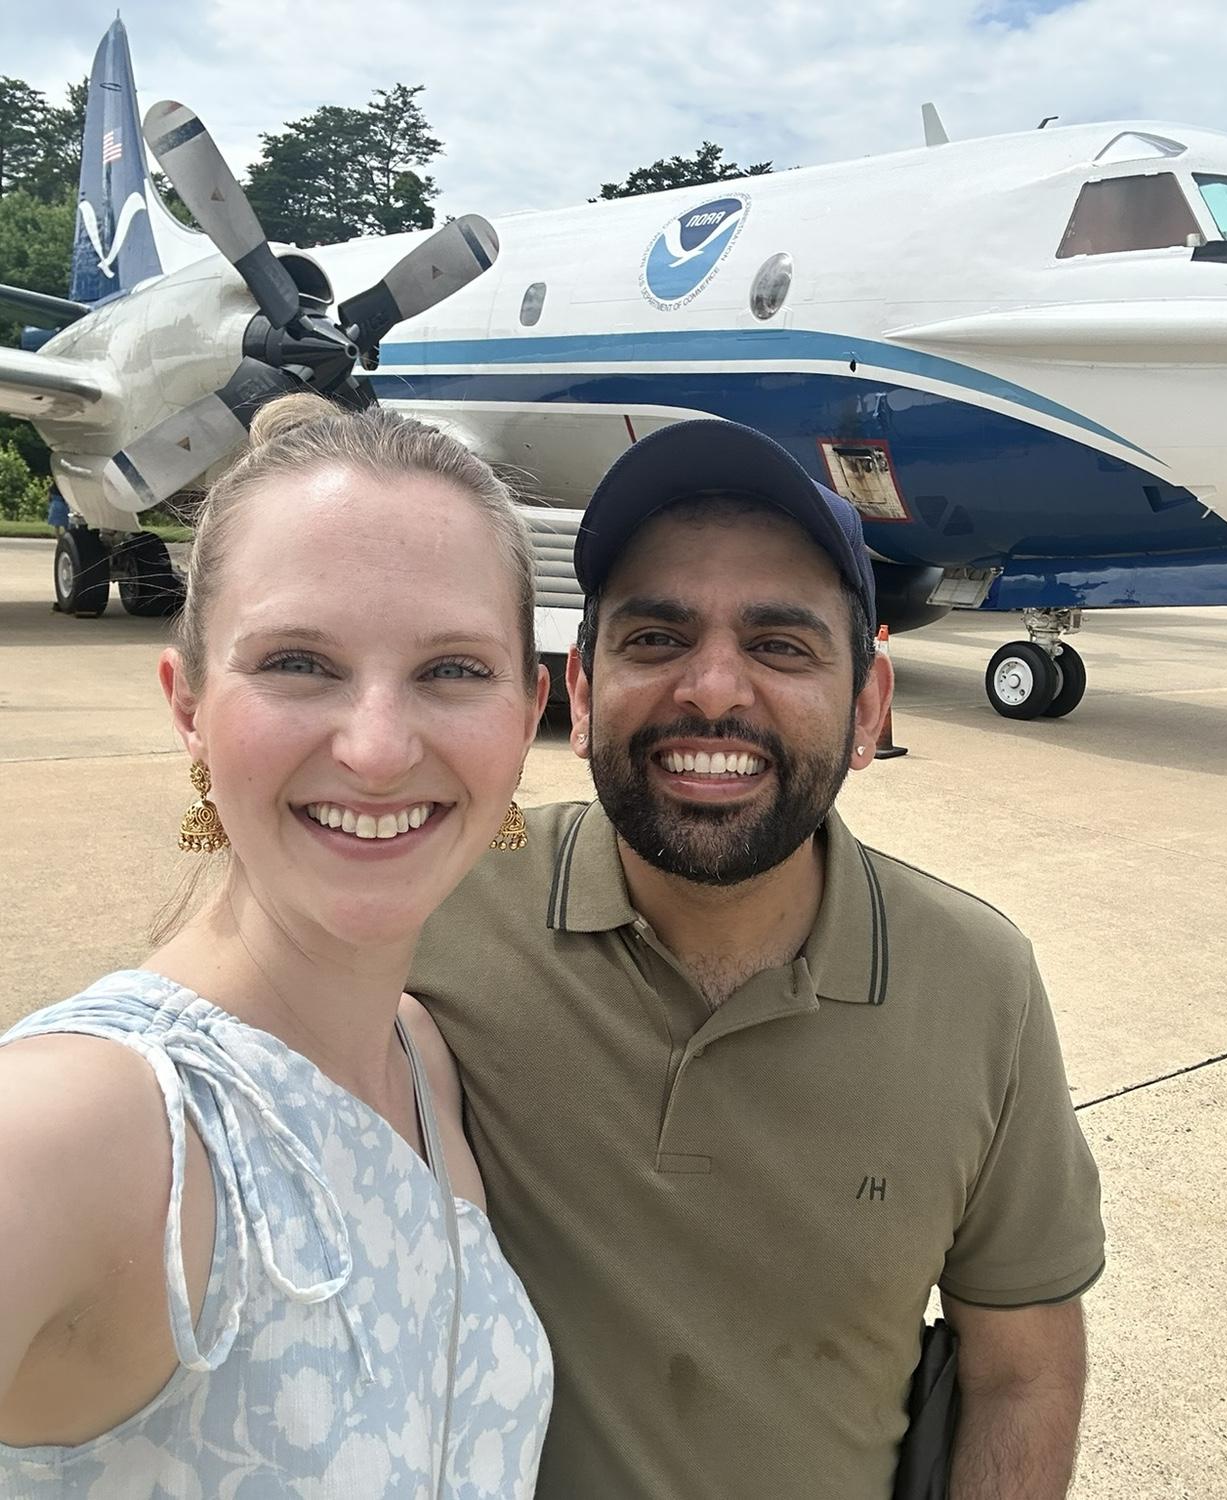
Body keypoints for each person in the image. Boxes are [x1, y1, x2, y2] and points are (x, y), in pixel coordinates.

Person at [409, 419, 1106, 1500]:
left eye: (781, 646)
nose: (714, 689)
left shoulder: (979, 986)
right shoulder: (440, 911)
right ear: (583, 691)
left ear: (869, 708)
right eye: (655, 640)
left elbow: (1021, 1368)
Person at [0, 396, 553, 1496]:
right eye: (300, 661)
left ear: (528, 712)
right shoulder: (84, 1126)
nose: (381, 748)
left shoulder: (419, 1057)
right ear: (189, 705)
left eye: (454, 670)